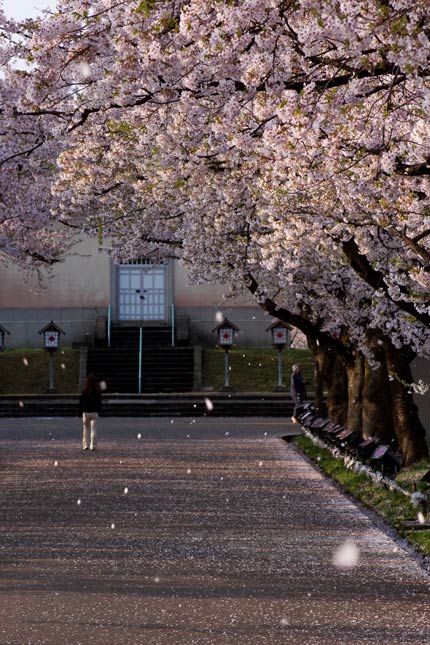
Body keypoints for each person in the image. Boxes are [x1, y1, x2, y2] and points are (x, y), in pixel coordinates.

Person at [78, 374, 102, 451]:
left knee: (86, 429)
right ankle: (93, 445)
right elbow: (99, 402)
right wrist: (98, 411)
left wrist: (80, 411)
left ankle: (85, 445)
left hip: (86, 412)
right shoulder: (97, 392)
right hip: (94, 411)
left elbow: (81, 402)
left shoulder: (84, 391)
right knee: (93, 429)